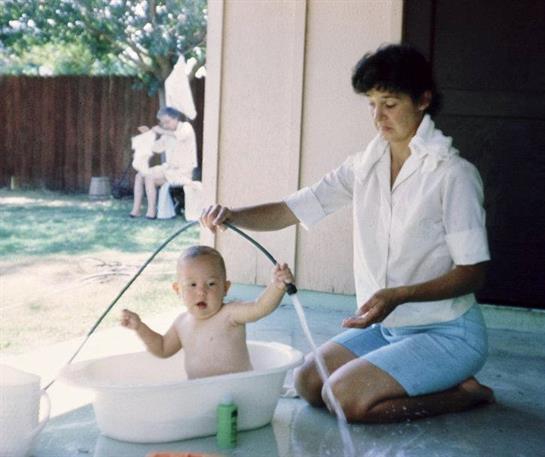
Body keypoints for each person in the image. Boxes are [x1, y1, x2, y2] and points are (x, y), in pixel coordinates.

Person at [200, 43, 494, 422]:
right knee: (308, 381)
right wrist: (232, 215)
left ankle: (465, 394)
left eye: (390, 104)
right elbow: (293, 208)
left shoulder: (453, 175)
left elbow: (473, 273)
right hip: (387, 328)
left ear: (423, 100)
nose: (378, 116)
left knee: (345, 399)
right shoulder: (366, 165)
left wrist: (399, 295)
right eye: (371, 104)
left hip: (447, 333)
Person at [121, 245, 294, 379]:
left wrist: (277, 286)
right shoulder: (181, 323)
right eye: (192, 285)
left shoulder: (230, 314)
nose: (201, 292)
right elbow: (163, 348)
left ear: (225, 288)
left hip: (237, 392)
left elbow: (260, 307)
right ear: (177, 290)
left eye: (211, 284)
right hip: (201, 394)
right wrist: (140, 328)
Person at [129, 107, 197, 219]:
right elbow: (157, 148)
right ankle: (136, 210)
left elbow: (180, 136)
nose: (165, 125)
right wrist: (147, 136)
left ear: (176, 118)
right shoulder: (167, 134)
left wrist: (161, 131)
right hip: (168, 169)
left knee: (149, 177)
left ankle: (151, 212)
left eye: (167, 122)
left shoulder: (186, 127)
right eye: (163, 123)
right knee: (139, 176)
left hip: (183, 171)